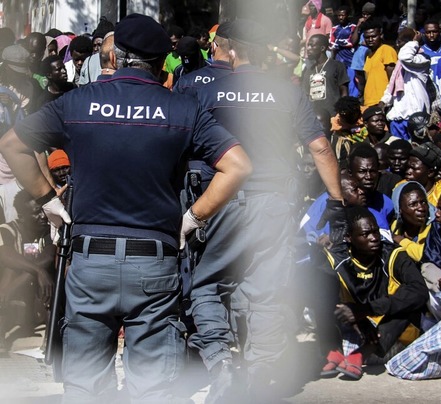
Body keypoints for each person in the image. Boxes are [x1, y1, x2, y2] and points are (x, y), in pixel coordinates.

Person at [0, 13, 252, 403]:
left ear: (114, 58)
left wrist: (49, 202)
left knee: (85, 389)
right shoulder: (182, 109)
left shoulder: (78, 101)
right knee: (152, 390)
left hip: (89, 262)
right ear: (158, 64)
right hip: (154, 262)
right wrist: (192, 218)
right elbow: (238, 166)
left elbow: (12, 144)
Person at [189, 18, 342, 402]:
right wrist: (337, 201)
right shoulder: (287, 93)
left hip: (220, 199)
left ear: (233, 50)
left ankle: (222, 362)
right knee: (267, 292)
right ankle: (260, 375)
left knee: (206, 284)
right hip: (275, 204)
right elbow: (321, 148)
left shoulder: (206, 90)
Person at [320, 206, 428, 380]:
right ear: (349, 238)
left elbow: (420, 291)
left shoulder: (392, 254)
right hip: (355, 325)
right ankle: (334, 350)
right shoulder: (337, 258)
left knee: (408, 303)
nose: (374, 238)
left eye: (376, 232)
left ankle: (362, 353)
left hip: (388, 326)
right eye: (366, 234)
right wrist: (359, 317)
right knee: (321, 291)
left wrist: (367, 309)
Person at [0, 190, 55, 356]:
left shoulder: (50, 231)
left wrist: (34, 273)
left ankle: (50, 340)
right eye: (36, 213)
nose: (43, 217)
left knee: (47, 272)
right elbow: (4, 254)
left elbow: (51, 254)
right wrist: (36, 270)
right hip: (13, 288)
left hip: (36, 290)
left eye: (43, 211)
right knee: (11, 268)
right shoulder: (7, 230)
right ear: (22, 217)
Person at [380, 29, 432, 141]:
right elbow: (391, 85)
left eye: (404, 41)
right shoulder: (399, 66)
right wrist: (383, 101)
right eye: (399, 41)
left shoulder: (423, 60)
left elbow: (405, 57)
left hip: (416, 117)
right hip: (398, 116)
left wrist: (414, 42)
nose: (399, 44)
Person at [173, 22, 233, 97]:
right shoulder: (239, 81)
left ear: (213, 47)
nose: (186, 59)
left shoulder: (183, 82)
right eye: (183, 56)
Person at [301, 34, 349, 117]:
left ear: (322, 48)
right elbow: (306, 95)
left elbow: (344, 90)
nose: (308, 49)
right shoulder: (308, 70)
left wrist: (342, 111)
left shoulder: (336, 65)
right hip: (315, 116)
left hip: (333, 114)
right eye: (308, 45)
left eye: (312, 45)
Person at [362, 19, 397, 107]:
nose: (370, 39)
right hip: (369, 103)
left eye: (373, 36)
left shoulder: (386, 50)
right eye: (367, 37)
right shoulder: (368, 55)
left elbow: (393, 79)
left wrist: (385, 101)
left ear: (381, 35)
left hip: (382, 103)